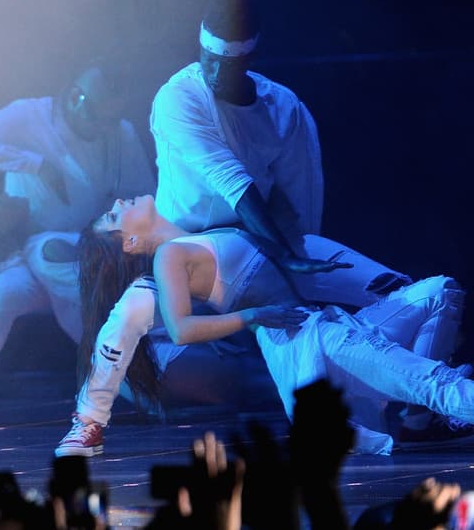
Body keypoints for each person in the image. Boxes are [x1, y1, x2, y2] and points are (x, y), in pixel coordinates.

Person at [56, 0, 412, 457]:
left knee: (401, 292)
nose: (214, 72)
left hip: (256, 254)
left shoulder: (285, 111)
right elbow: (232, 181)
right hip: (197, 267)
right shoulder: (178, 98)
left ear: (251, 57)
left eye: (228, 63)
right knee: (127, 315)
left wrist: (295, 259)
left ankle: (412, 409)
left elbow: (301, 200)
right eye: (208, 59)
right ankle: (87, 424)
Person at [78, 195, 472, 455]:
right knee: (436, 382)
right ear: (129, 242)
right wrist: (251, 317)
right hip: (309, 342)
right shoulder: (168, 256)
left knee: (439, 292)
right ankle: (426, 403)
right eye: (114, 216)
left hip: (332, 326)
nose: (118, 202)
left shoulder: (196, 237)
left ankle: (417, 417)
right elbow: (181, 329)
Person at [0, 65, 158, 430]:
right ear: (77, 99)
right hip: (36, 249)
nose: (103, 130)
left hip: (83, 251)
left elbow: (144, 195)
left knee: (75, 297)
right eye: (98, 120)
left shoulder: (119, 133)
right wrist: (34, 164)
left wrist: (117, 234)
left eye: (110, 121)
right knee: (3, 298)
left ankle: (132, 381)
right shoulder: (29, 116)